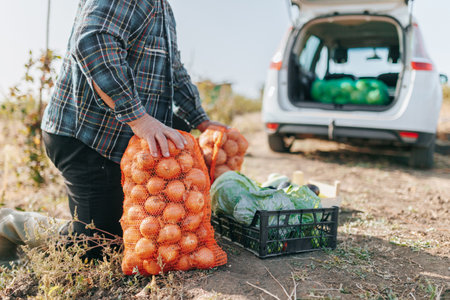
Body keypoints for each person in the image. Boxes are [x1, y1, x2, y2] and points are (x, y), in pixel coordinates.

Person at [40, 0, 225, 259]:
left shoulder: (162, 7)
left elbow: (175, 70)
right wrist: (140, 119)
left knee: (136, 230)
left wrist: (201, 120)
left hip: (120, 137)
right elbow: (94, 42)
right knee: (99, 247)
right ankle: (18, 226)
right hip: (87, 137)